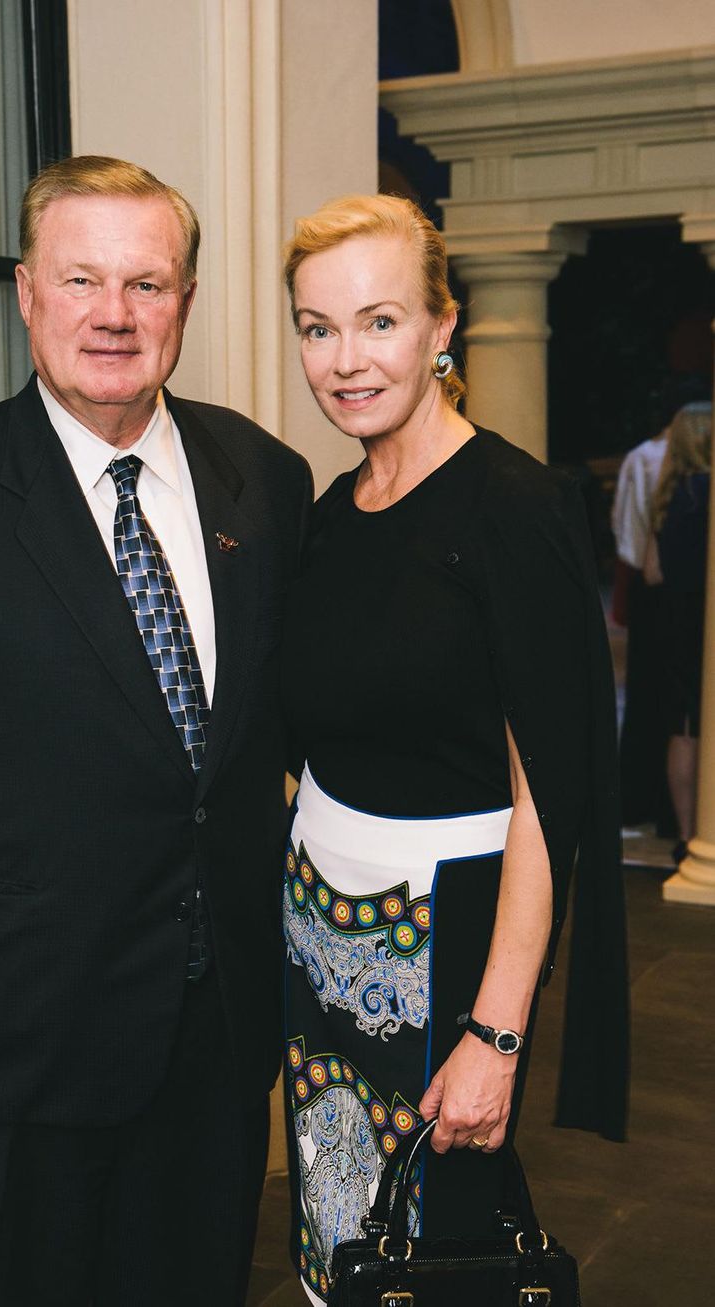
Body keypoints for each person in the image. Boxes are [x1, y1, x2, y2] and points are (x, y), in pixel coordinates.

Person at [0, 155, 313, 1306]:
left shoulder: (264, 481)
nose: (113, 314)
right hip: (5, 1049)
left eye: (146, 283)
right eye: (81, 278)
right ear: (28, 293)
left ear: (184, 302)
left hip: (212, 1038)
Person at [278, 194, 628, 1304]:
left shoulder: (512, 505)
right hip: (319, 941)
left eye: (377, 321)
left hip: (445, 938)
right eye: (315, 326)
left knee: (442, 1253)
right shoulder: (331, 511)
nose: (343, 360)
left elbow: (547, 799)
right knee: (343, 1237)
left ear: (443, 328)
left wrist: (495, 1033)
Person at [644, 400, 712, 863]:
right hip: (703, 628)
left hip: (676, 624)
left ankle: (688, 833)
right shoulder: (708, 493)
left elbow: (652, 573)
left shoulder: (671, 494)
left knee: (684, 729)